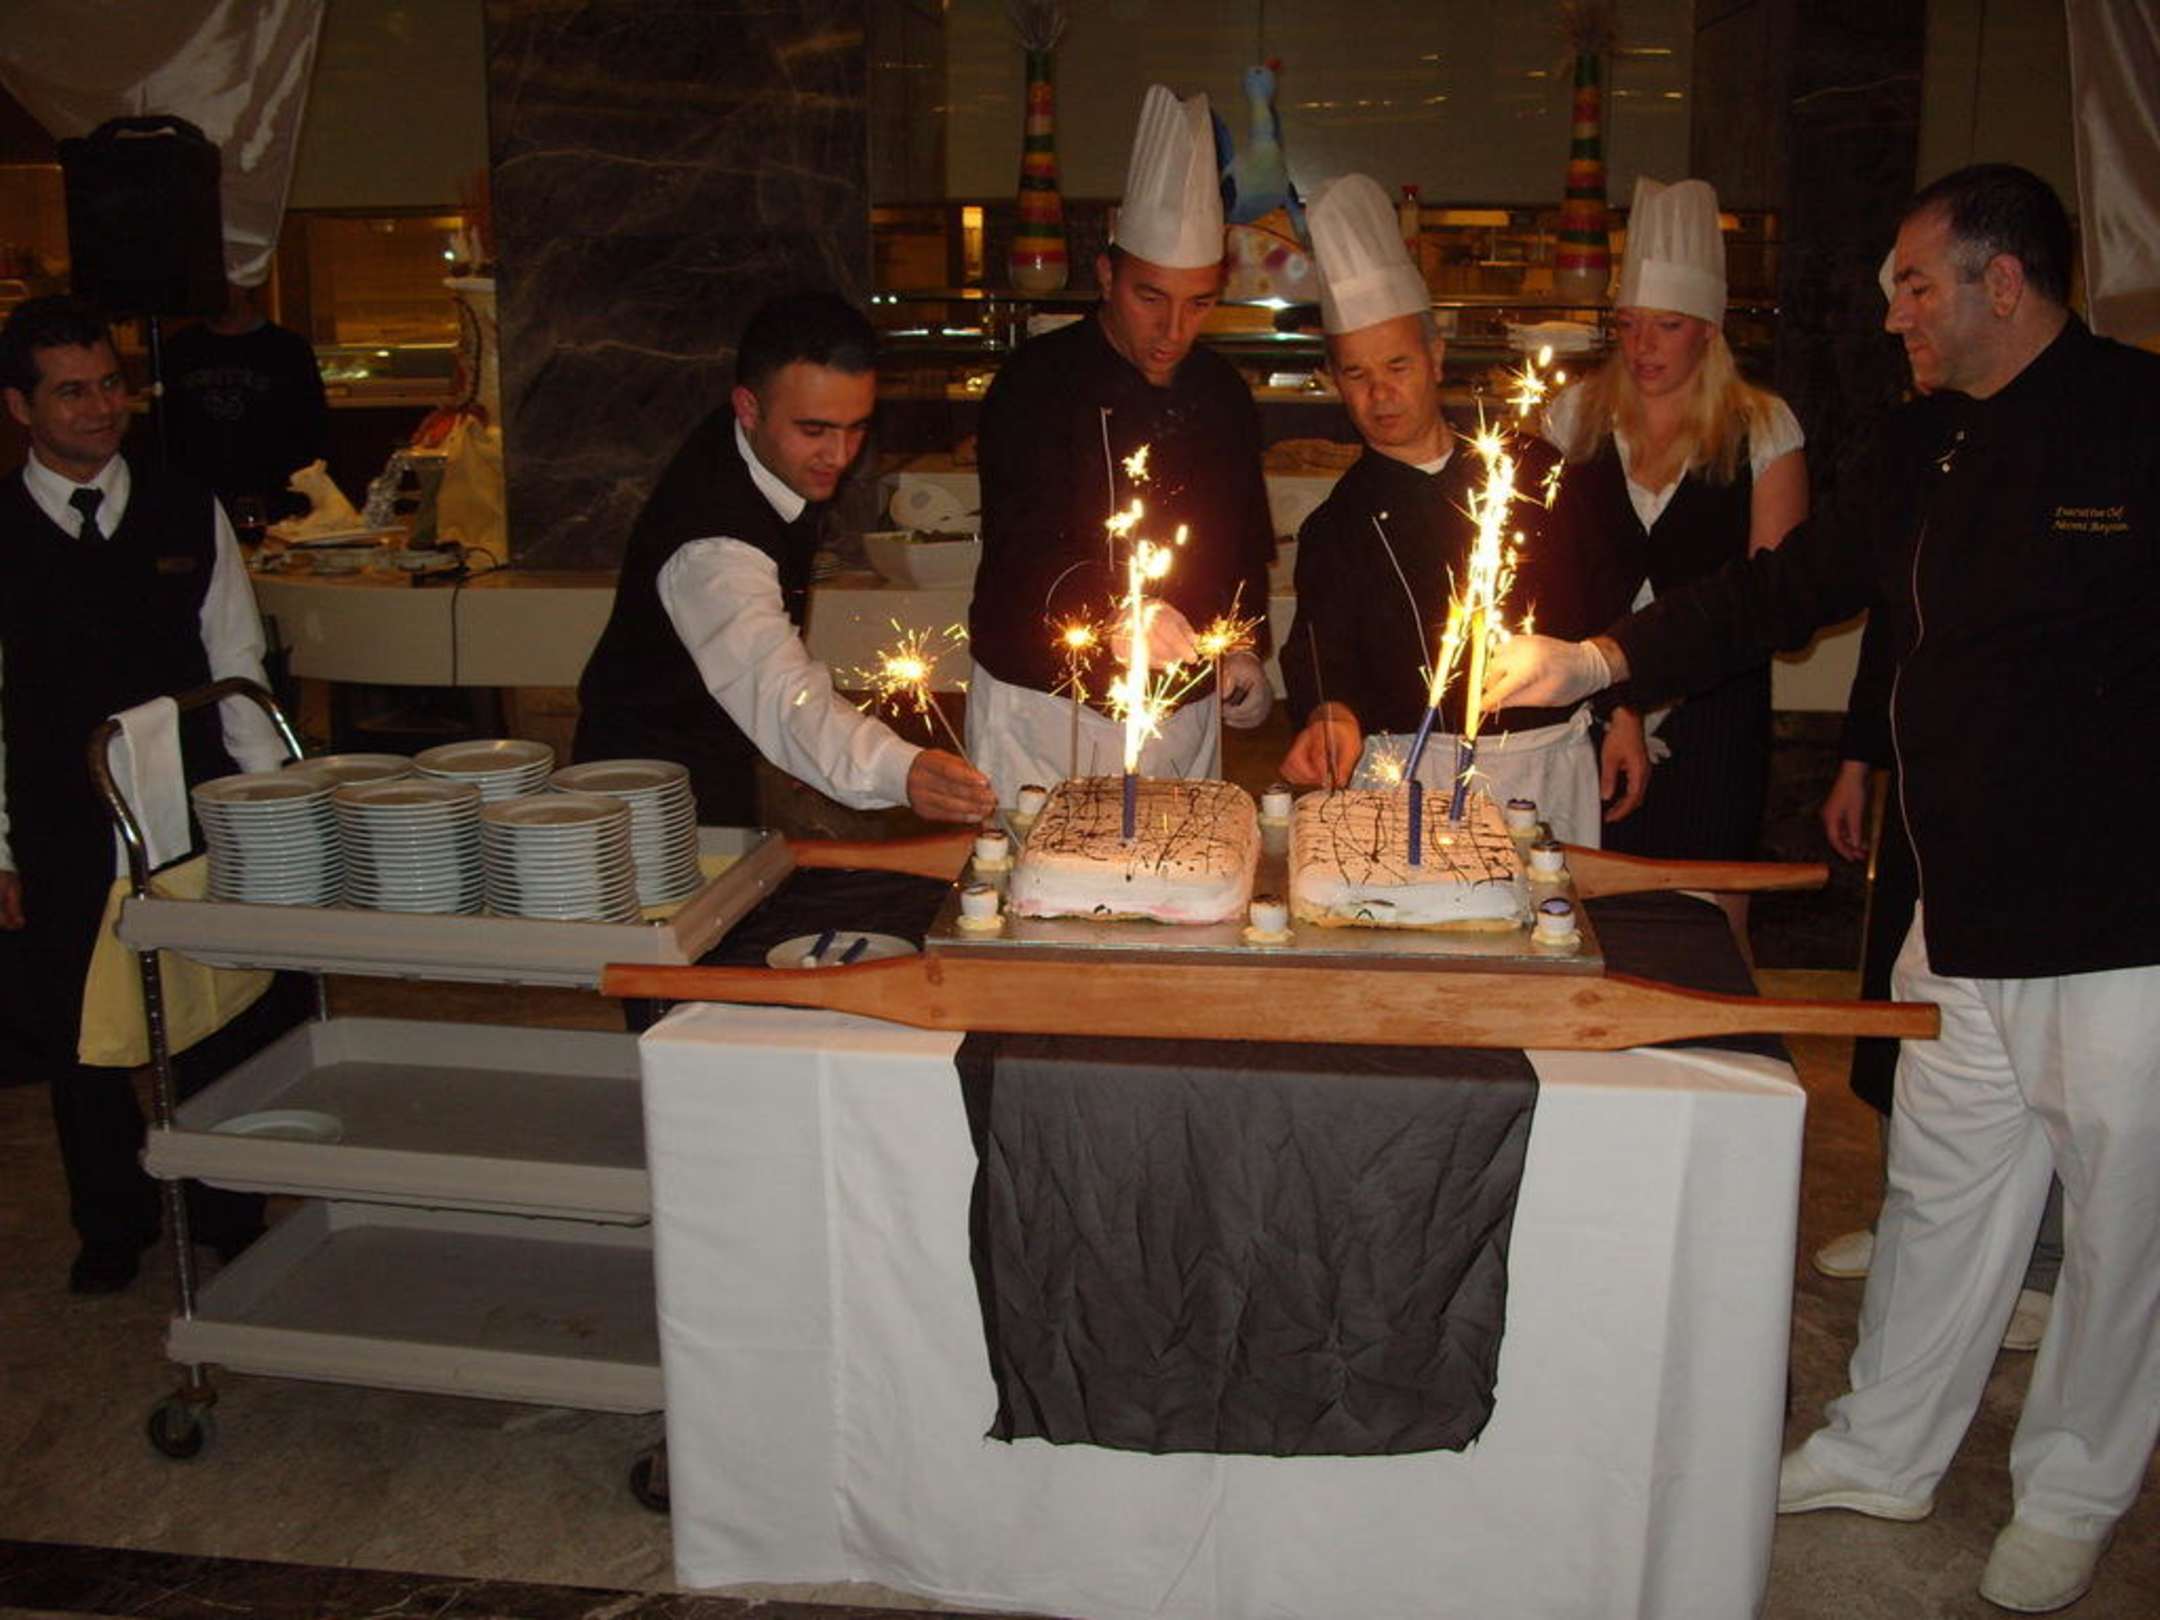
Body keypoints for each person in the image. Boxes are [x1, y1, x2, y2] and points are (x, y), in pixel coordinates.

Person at [1482, 164, 2160, 1614]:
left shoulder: (2140, 420)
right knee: (1940, 1194)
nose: (1894, 315)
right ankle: (1885, 1445)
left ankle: (2072, 1488)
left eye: (1915, 287)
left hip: (2119, 919)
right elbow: (1783, 589)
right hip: (1954, 901)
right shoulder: (1923, 443)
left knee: (2126, 1229)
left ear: (2001, 283)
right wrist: (1600, 660)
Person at [0, 295, 294, 1293]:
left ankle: (228, 1204)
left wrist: (269, 815)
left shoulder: (183, 506)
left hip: (194, 802)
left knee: (221, 1012)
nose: (98, 408)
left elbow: (237, 665)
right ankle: (110, 1221)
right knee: (80, 1031)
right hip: (58, 809)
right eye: (70, 392)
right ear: (20, 407)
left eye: (109, 385)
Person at [574, 292, 994, 829]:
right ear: (748, 408)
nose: (840, 456)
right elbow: (778, 694)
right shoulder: (714, 549)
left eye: (857, 427)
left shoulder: (760, 444)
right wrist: (899, 770)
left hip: (711, 764)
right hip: (643, 801)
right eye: (814, 430)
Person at [964, 85, 1274, 802]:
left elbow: (1242, 544)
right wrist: (1114, 611)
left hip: (1181, 713)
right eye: (1150, 298)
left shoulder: (1222, 392)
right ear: (1107, 275)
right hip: (1044, 717)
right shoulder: (1034, 384)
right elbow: (1021, 548)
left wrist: (1245, 645)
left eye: (1198, 304)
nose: (1173, 331)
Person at [1276, 174, 1606, 842]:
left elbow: (1605, 602)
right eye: (1357, 374)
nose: (1380, 395)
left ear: (1435, 357)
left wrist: (1622, 714)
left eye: (1397, 366)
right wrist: (1330, 715)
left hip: (1546, 768)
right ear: (1335, 380)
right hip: (1404, 779)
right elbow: (1319, 651)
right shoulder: (1337, 524)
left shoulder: (1533, 469)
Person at [1542, 177, 1807, 905]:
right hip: (1589, 709)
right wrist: (1619, 704)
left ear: (1709, 330)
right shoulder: (1574, 418)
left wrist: (1655, 693)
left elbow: (1771, 602)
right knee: (1588, 912)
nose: (1641, 347)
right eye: (1628, 325)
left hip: (1713, 715)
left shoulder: (1764, 429)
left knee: (1712, 910)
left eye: (1666, 326)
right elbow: (1549, 575)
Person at [158, 280, 330, 532]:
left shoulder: (287, 350)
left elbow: (314, 434)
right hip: (197, 509)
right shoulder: (179, 350)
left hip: (276, 511)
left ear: (245, 284)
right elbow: (168, 435)